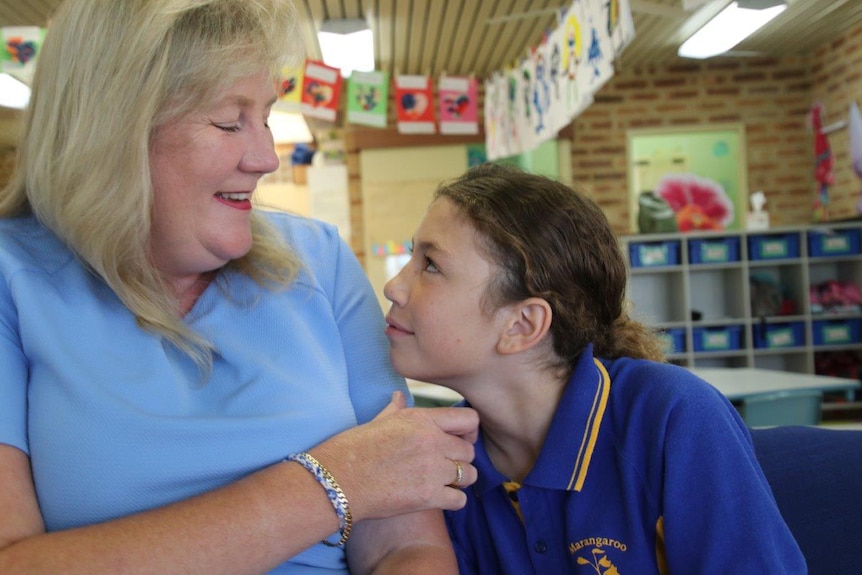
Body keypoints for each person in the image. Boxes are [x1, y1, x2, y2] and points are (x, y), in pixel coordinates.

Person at [0, 0, 479, 573]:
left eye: (268, 116)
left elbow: (407, 546)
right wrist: (337, 481)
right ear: (110, 131)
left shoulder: (320, 259)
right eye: (230, 122)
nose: (266, 157)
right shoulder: (13, 279)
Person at [383, 163, 807, 574]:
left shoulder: (673, 417)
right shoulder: (442, 463)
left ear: (522, 325)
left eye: (431, 266)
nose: (394, 287)